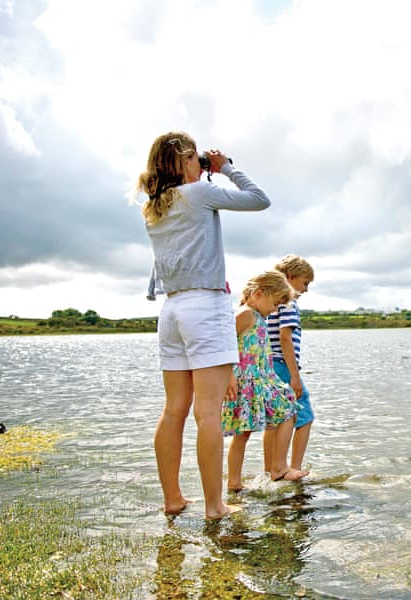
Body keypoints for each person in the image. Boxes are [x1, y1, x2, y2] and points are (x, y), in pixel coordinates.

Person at [138, 131, 270, 519]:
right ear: (181, 162)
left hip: (173, 310)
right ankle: (215, 506)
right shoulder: (198, 194)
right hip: (205, 304)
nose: (202, 163)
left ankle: (173, 499)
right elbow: (260, 200)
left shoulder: (155, 206)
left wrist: (205, 170)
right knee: (207, 412)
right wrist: (226, 168)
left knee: (174, 409)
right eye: (195, 158)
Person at [223, 271, 309, 487]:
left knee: (283, 410)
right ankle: (275, 469)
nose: (274, 310)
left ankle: (237, 483)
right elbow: (224, 341)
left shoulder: (259, 317)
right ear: (259, 293)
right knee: (248, 431)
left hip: (260, 380)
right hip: (246, 380)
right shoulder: (246, 315)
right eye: (274, 303)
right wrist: (228, 374)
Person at [268, 255, 315, 474]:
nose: (306, 289)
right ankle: (293, 468)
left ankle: (272, 468)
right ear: (290, 277)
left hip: (270, 365)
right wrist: (294, 376)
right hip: (284, 365)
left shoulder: (272, 304)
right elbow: (285, 337)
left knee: (276, 420)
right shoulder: (288, 303)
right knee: (305, 416)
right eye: (305, 283)